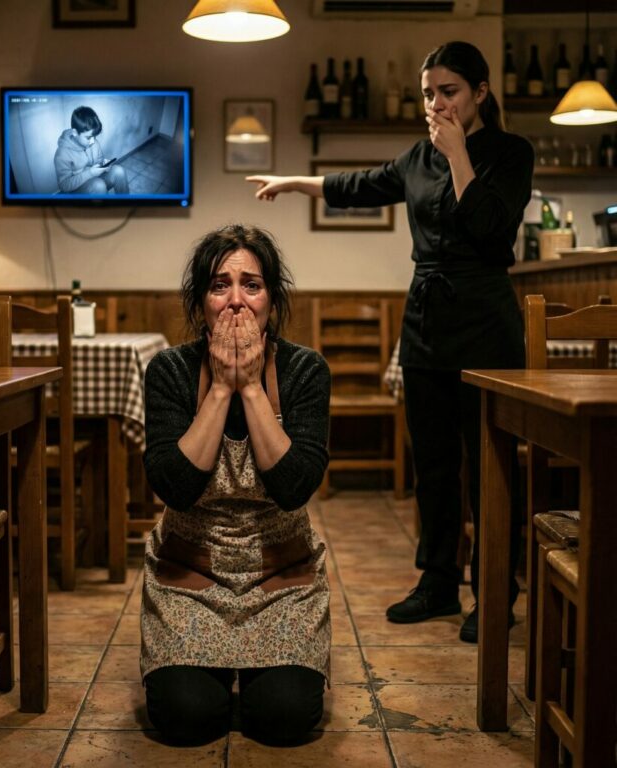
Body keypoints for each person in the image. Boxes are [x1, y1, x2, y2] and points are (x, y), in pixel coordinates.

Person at [247, 41, 533, 644]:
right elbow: (361, 185)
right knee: (433, 466)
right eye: (429, 93)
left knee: (489, 469)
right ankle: (436, 583)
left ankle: (496, 594)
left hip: (485, 320)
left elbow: (488, 226)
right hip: (426, 323)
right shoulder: (416, 157)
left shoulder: (511, 153)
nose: (436, 104)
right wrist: (296, 182)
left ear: (480, 93)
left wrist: (457, 154)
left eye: (448, 91)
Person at [140, 224, 331, 745]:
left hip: (281, 576)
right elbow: (174, 486)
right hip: (189, 575)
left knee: (284, 719)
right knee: (186, 718)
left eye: (252, 284)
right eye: (219, 285)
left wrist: (250, 388)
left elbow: (294, 486)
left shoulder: (305, 370)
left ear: (272, 298)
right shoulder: (169, 371)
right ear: (201, 300)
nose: (236, 302)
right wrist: (222, 386)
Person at [53, 105, 129, 194]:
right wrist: (90, 173)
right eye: (88, 137)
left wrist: (104, 166)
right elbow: (64, 185)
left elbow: (99, 160)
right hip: (77, 190)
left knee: (119, 171)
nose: (93, 141)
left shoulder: (93, 142)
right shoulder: (62, 154)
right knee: (99, 186)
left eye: (94, 136)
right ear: (75, 133)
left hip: (96, 179)